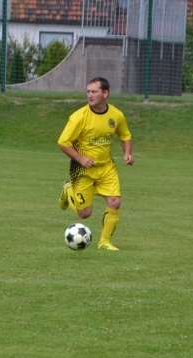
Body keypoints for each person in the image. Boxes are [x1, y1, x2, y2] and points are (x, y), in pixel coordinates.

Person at [57, 77, 134, 251]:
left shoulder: (116, 115)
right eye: (88, 92)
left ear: (105, 93)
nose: (90, 95)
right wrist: (80, 159)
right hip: (82, 170)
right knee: (84, 214)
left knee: (115, 202)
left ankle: (104, 242)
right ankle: (68, 189)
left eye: (94, 92)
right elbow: (63, 142)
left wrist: (127, 153)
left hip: (106, 167)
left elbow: (125, 135)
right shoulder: (79, 117)